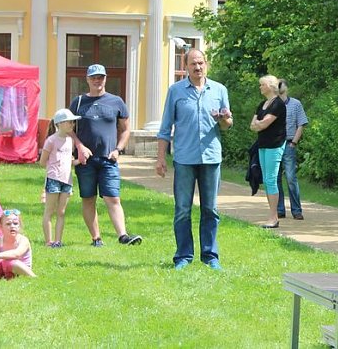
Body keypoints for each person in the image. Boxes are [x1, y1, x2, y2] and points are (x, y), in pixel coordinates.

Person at [156, 48, 232, 270]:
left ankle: (210, 256)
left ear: (206, 64)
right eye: (193, 64)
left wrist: (224, 119)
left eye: (201, 63)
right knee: (182, 209)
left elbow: (228, 125)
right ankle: (183, 256)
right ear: (186, 67)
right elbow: (164, 128)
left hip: (211, 158)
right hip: (184, 159)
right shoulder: (176, 91)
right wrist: (161, 158)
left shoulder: (219, 90)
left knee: (210, 209)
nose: (197, 67)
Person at [70, 63, 142, 247]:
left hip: (109, 159)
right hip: (85, 160)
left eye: (100, 77)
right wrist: (79, 146)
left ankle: (123, 236)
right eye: (93, 77)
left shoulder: (116, 101)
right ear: (87, 79)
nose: (97, 80)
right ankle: (96, 238)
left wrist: (118, 149)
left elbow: (126, 129)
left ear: (105, 79)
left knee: (113, 197)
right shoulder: (77, 102)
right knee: (88, 198)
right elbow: (68, 129)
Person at [39, 108, 82, 247]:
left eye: (72, 122)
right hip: (53, 179)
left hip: (67, 181)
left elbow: (69, 162)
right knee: (49, 211)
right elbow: (42, 162)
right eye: (70, 122)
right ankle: (48, 241)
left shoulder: (70, 141)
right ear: (60, 123)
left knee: (61, 212)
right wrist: (53, 168)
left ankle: (58, 241)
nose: (72, 125)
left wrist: (79, 161)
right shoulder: (51, 141)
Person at [250, 75, 287, 228]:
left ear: (271, 86)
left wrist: (259, 123)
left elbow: (264, 124)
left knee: (271, 180)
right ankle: (272, 215)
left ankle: (274, 217)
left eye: (262, 84)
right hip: (263, 145)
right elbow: (252, 126)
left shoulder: (278, 104)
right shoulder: (262, 104)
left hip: (275, 145)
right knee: (266, 180)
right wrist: (259, 124)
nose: (260, 87)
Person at [277, 79, 308, 220]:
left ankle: (296, 210)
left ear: (286, 87)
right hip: (275, 144)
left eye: (280, 84)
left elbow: (301, 124)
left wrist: (294, 142)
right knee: (275, 178)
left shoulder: (296, 104)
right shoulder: (272, 104)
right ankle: (279, 210)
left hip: (289, 143)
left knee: (291, 177)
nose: (278, 86)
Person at [0, 209, 36, 278]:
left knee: (11, 263)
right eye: (8, 224)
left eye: (15, 223)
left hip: (20, 269)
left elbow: (17, 254)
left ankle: (33, 276)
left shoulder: (23, 240)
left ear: (19, 225)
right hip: (3, 269)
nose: (12, 226)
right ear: (1, 226)